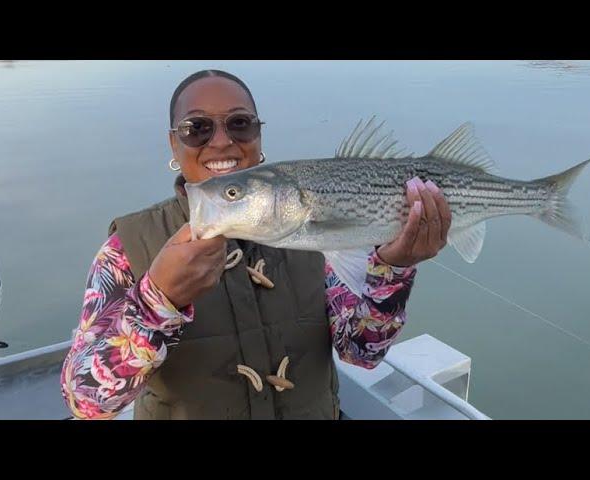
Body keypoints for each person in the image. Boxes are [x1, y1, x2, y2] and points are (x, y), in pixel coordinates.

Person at [60, 69, 452, 420]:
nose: (221, 142)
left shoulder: (319, 233)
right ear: (173, 144)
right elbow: (87, 402)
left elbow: (361, 352)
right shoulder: (127, 247)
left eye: (240, 124)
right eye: (197, 128)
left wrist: (393, 269)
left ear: (258, 135)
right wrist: (157, 302)